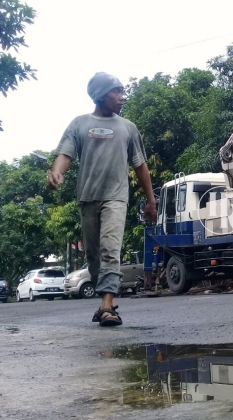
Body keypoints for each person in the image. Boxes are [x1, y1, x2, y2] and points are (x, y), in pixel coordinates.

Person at [48, 72, 157, 327]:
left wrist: (151, 200)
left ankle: (108, 306)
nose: (122, 96)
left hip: (116, 198)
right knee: (93, 256)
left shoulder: (128, 127)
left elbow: (140, 165)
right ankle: (104, 302)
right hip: (88, 198)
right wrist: (56, 172)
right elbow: (65, 153)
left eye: (122, 91)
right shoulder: (79, 124)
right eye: (116, 92)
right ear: (100, 95)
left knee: (110, 248)